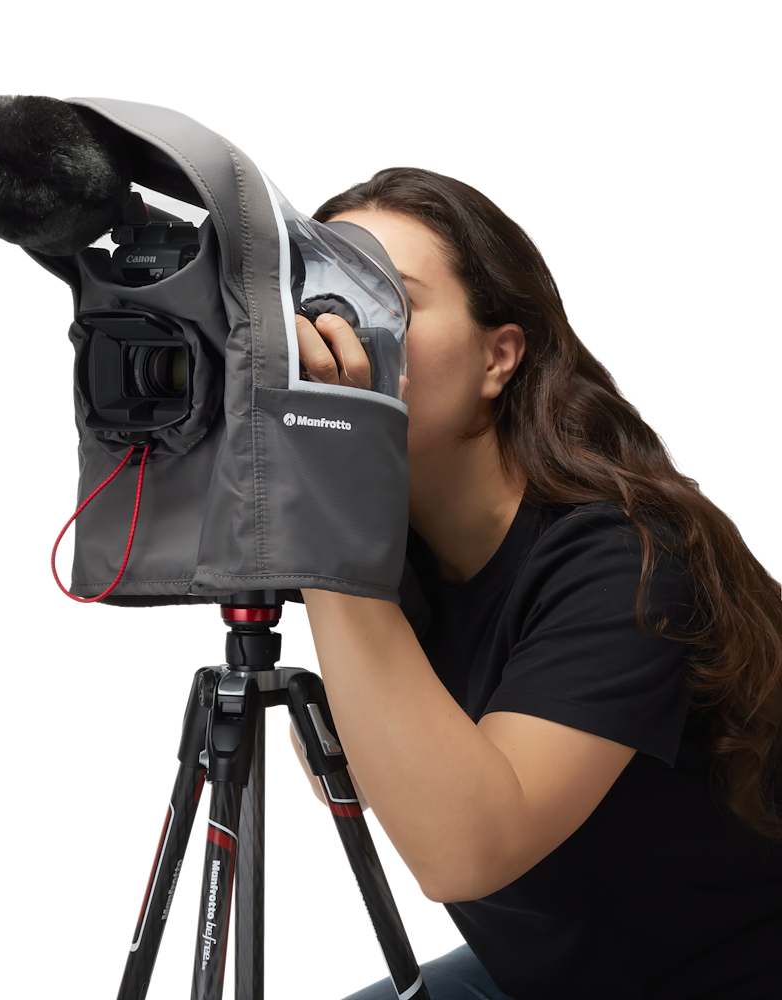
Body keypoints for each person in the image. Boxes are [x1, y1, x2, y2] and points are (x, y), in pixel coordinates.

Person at [290, 169, 782, 1000]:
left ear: (499, 356)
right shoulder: (394, 547)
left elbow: (462, 853)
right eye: (315, 304)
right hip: (548, 972)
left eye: (387, 300)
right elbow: (356, 775)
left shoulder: (628, 555)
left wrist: (330, 526)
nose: (337, 335)